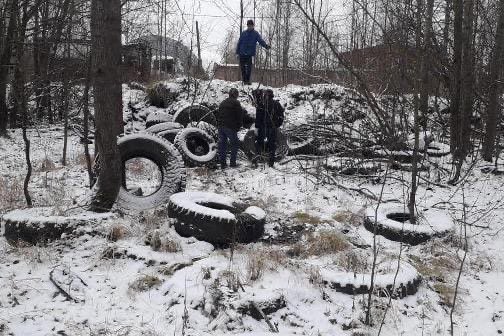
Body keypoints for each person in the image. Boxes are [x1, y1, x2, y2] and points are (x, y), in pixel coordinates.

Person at [254, 89, 284, 167]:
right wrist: (277, 125)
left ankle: (261, 159)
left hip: (265, 128)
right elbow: (281, 116)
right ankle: (270, 162)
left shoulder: (262, 104)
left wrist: (257, 127)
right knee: (271, 144)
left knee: (261, 143)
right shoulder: (276, 104)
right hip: (269, 128)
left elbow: (258, 117)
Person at [216, 88, 245, 169]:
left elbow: (219, 114)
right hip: (230, 127)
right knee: (235, 144)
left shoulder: (223, 102)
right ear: (235, 94)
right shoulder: (236, 102)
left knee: (222, 145)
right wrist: (239, 126)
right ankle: (232, 163)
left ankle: (223, 164)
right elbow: (239, 115)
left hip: (221, 126)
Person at [236, 19, 271, 85]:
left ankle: (248, 80)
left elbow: (260, 41)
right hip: (242, 53)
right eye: (248, 26)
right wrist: (237, 53)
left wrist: (266, 46)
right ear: (247, 26)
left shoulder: (255, 34)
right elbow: (239, 43)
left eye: (251, 26)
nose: (250, 27)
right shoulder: (243, 33)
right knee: (243, 68)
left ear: (253, 26)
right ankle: (244, 81)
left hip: (249, 54)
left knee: (249, 68)